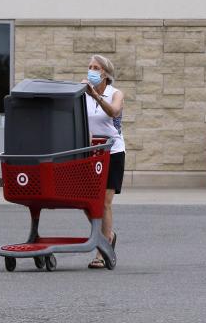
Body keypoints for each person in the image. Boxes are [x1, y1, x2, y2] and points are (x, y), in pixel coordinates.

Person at [83, 54, 125, 269]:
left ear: (106, 74)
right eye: (90, 67)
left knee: (105, 202)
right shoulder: (83, 94)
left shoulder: (115, 93)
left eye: (96, 67)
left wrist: (96, 96)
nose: (91, 70)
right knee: (86, 202)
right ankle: (108, 235)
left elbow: (114, 111)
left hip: (112, 152)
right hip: (90, 152)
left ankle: (101, 251)